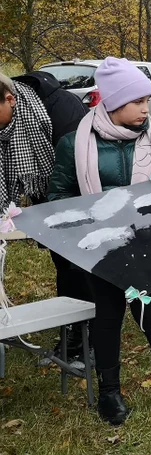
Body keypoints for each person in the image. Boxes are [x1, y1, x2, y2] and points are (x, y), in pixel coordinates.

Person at [47, 57, 151, 425]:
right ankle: (109, 393)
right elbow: (58, 197)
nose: (145, 108)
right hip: (100, 247)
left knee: (149, 310)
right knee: (107, 315)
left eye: (147, 100)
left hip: (146, 243)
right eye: (137, 102)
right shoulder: (74, 143)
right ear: (112, 104)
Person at [0, 71, 90, 367]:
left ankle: (87, 340)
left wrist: (61, 216)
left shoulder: (61, 111)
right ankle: (72, 335)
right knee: (64, 264)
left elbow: (81, 168)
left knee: (80, 265)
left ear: (10, 100)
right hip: (46, 198)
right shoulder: (8, 120)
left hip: (79, 196)